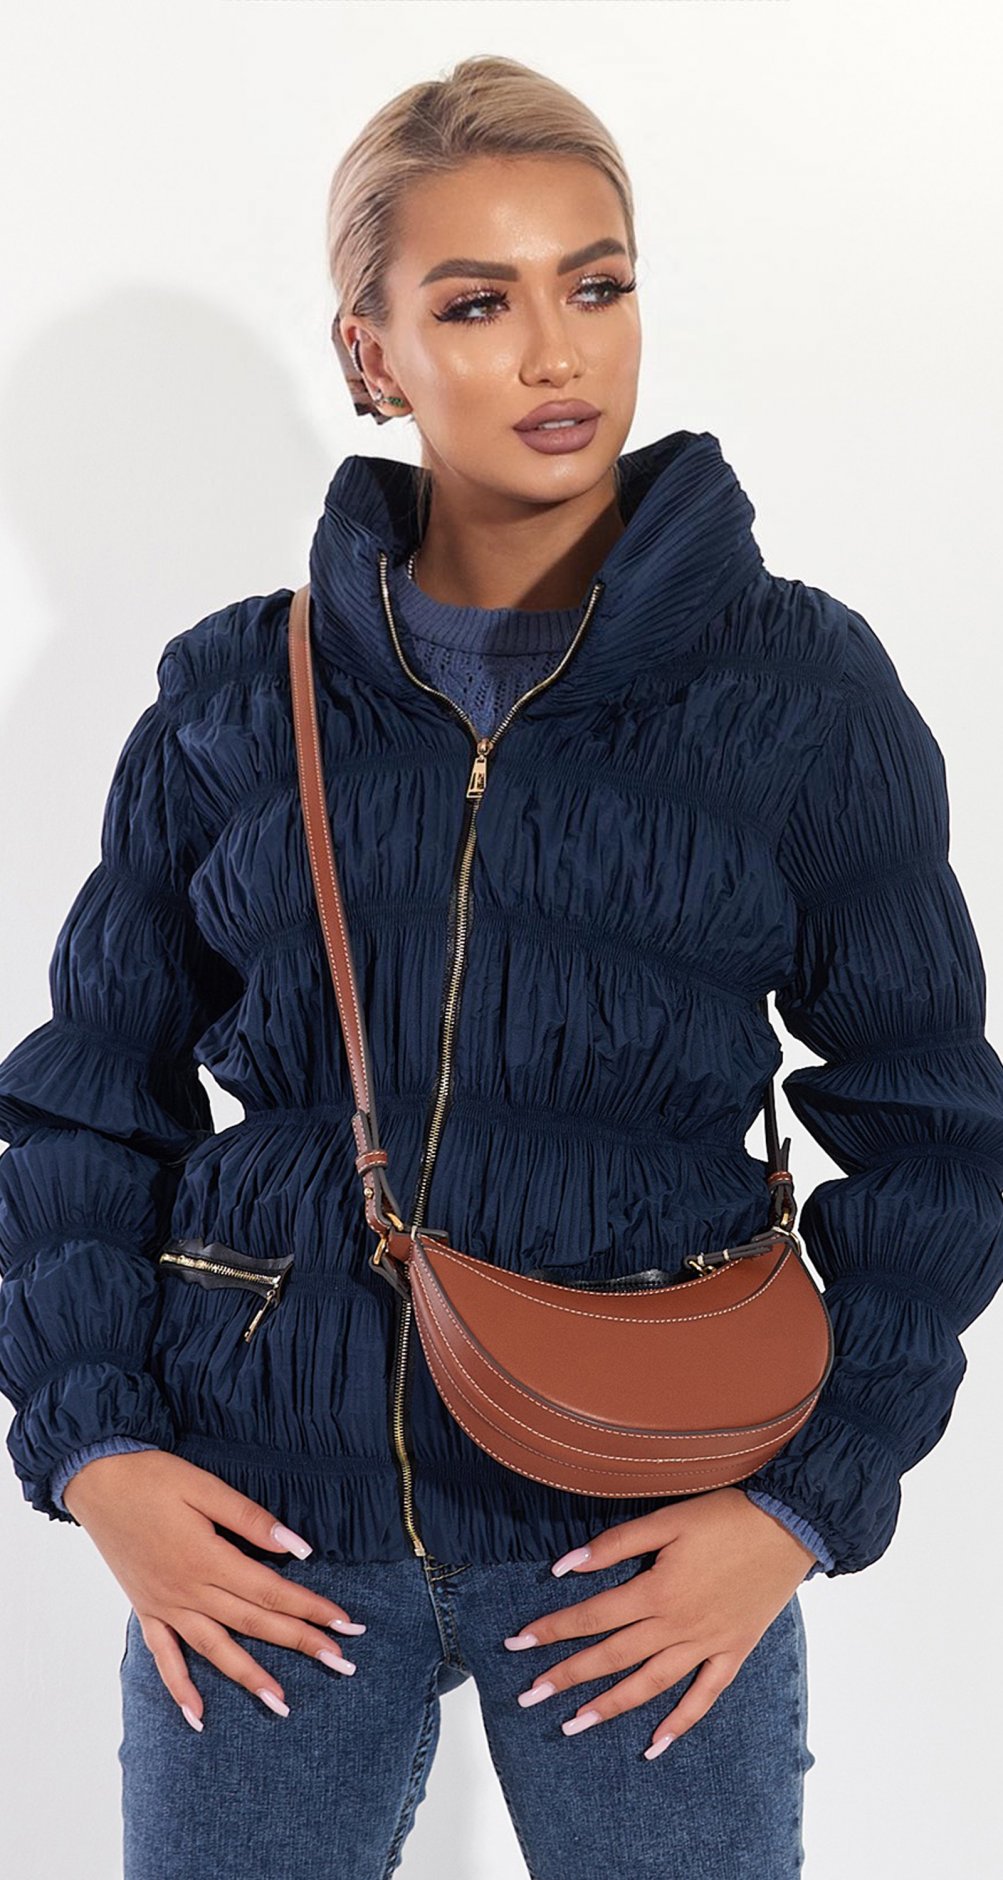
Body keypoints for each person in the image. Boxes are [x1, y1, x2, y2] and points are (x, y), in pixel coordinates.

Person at [1, 53, 1001, 1880]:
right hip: (268, 1530)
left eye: (595, 284)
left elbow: (942, 1130)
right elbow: (84, 1104)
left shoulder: (798, 688)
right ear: (370, 351)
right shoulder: (240, 692)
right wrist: (98, 1455)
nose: (557, 352)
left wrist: (800, 1504)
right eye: (477, 302)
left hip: (647, 1531)